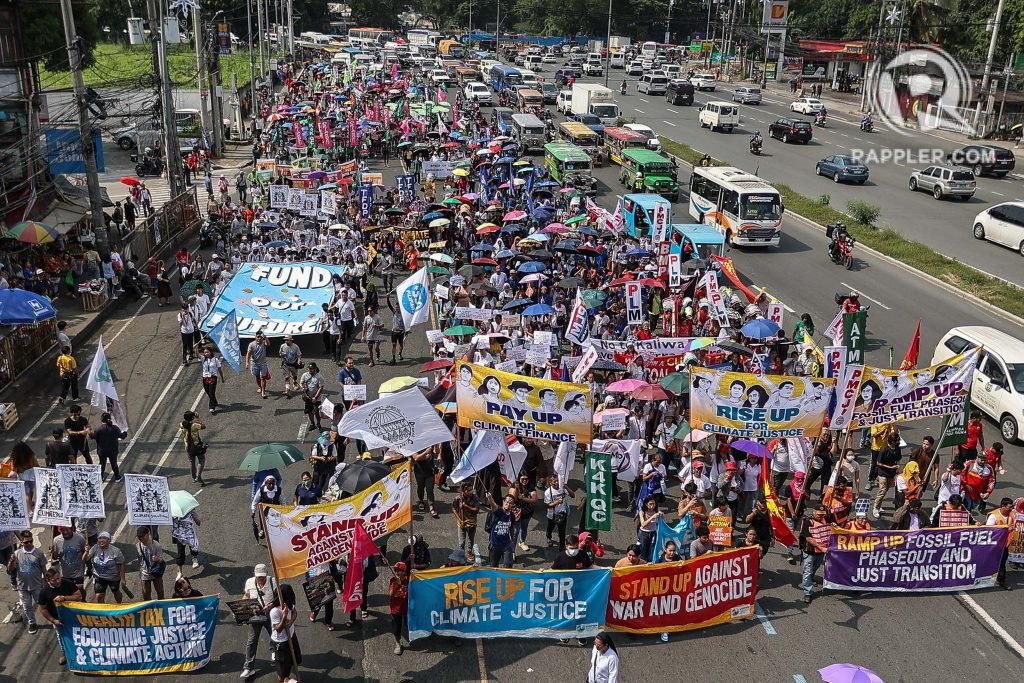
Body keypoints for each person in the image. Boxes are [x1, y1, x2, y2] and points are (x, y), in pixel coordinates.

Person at [36, 567, 83, 663]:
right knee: (62, 637)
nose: (58, 581)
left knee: (79, 636)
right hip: (58, 620)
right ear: (48, 581)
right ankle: (65, 653)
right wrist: (53, 620)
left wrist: (65, 598)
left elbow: (79, 596)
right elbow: (42, 609)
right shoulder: (44, 591)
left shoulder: (68, 583)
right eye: (54, 580)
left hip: (73, 616)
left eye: (59, 578)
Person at [240, 563, 276, 679]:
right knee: (251, 641)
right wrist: (240, 606)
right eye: (258, 577)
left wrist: (270, 606)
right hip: (256, 615)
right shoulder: (249, 582)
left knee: (275, 635)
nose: (260, 579)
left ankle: (274, 650)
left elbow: (279, 599)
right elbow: (246, 595)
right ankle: (248, 668)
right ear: (254, 575)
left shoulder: (273, 582)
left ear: (266, 574)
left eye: (262, 577)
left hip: (270, 614)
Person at [8, 531, 46, 635]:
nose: (29, 544)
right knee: (27, 606)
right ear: (21, 542)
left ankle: (52, 617)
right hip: (22, 586)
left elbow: (43, 568)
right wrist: (12, 562)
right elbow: (9, 571)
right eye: (26, 542)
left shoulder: (39, 553)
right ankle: (32, 622)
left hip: (37, 585)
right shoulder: (16, 554)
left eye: (31, 541)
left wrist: (47, 582)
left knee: (43, 604)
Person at [270, 583, 301, 683]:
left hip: (291, 637)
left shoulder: (290, 604)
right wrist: (284, 616)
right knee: (282, 674)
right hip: (281, 642)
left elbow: (295, 612)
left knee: (294, 660)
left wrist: (290, 622)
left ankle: (291, 674)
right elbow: (278, 629)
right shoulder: (274, 611)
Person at [799, 505, 829, 604]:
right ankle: (807, 593)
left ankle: (810, 579)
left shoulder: (826, 520)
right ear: (814, 512)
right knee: (808, 570)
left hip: (821, 552)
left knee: (814, 568)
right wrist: (820, 547)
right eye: (819, 515)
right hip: (810, 551)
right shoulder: (808, 522)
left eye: (822, 515)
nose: (821, 517)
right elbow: (808, 538)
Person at [87, 531, 126, 604]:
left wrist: (123, 579)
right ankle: (103, 611)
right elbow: (86, 559)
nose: (101, 540)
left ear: (109, 540)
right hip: (99, 577)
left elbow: (122, 564)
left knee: (116, 592)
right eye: (100, 538)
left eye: (104, 538)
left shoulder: (116, 551)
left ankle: (119, 604)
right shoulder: (95, 548)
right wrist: (86, 551)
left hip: (113, 577)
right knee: (99, 596)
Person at [484, 492, 519, 568]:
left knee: (508, 566)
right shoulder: (498, 512)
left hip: (506, 545)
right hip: (495, 544)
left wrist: (512, 541)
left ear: (513, 505)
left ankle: (506, 579)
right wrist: (490, 498)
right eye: (506, 502)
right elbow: (493, 504)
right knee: (493, 567)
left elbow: (511, 527)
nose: (508, 504)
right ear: (503, 502)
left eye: (510, 503)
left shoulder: (512, 515)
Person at [987, 497, 1014, 590]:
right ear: (1003, 506)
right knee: (990, 561)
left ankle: (1001, 580)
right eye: (1009, 507)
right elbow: (989, 530)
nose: (1011, 509)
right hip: (994, 544)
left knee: (1002, 562)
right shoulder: (994, 516)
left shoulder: (1011, 515)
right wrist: (1005, 530)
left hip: (1004, 544)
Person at [90, 412, 127, 481]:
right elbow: (122, 436)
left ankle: (100, 477)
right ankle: (117, 477)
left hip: (102, 450)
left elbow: (93, 436)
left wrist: (89, 432)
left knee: (102, 463)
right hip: (113, 450)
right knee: (113, 463)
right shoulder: (114, 428)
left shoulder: (98, 429)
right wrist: (125, 432)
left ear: (102, 420)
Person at [544, 473, 574, 549]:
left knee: (562, 532)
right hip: (552, 515)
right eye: (554, 481)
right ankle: (549, 536)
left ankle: (562, 548)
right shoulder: (548, 492)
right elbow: (547, 505)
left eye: (557, 481)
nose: (557, 483)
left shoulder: (562, 488)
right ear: (550, 483)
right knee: (550, 528)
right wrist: (556, 502)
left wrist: (567, 487)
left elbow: (573, 495)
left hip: (562, 514)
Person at [135, 526, 165, 600]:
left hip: (156, 572)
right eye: (139, 537)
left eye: (142, 536)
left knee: (160, 592)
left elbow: (161, 560)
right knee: (146, 594)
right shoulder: (138, 546)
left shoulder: (156, 545)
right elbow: (139, 559)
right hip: (144, 573)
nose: (141, 538)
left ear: (148, 534)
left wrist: (157, 559)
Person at [452, 482, 481, 559]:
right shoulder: (458, 499)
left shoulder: (475, 498)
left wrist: (466, 506)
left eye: (472, 489)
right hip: (461, 524)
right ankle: (461, 556)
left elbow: (476, 510)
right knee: (461, 543)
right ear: (464, 491)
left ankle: (469, 552)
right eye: (469, 490)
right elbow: (454, 509)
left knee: (470, 540)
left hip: (472, 523)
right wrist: (459, 520)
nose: (472, 491)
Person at [179, 411, 207, 485]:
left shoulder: (182, 424)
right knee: (201, 460)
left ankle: (194, 477)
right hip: (196, 446)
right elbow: (203, 426)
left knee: (192, 462)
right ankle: (198, 476)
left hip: (188, 446)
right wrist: (198, 418)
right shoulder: (194, 425)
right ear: (192, 418)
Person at [171, 508, 201, 576]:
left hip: (190, 534)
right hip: (180, 536)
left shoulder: (190, 511)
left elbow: (199, 523)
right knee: (180, 553)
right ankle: (179, 572)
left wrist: (194, 517)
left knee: (193, 547)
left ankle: (194, 558)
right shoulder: (173, 513)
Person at [389, 562, 410, 655]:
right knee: (397, 628)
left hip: (407, 608)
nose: (397, 572)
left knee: (408, 624)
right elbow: (391, 594)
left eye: (400, 571)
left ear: (405, 572)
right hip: (396, 610)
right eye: (396, 570)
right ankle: (398, 643)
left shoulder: (409, 580)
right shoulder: (393, 581)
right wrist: (397, 585)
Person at [298, 363, 325, 431]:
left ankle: (318, 424)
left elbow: (320, 388)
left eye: (312, 369)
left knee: (317, 412)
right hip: (308, 397)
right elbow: (301, 382)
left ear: (315, 369)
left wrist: (315, 397)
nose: (310, 370)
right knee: (309, 411)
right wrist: (302, 387)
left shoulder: (319, 377)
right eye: (309, 369)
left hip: (316, 398)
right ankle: (312, 424)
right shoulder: (305, 375)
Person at [245, 331, 271, 399]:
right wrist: (247, 363)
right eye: (258, 337)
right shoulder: (251, 344)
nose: (259, 338)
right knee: (257, 377)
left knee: (263, 377)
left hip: (263, 363)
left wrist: (265, 337)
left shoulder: (263, 343)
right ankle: (260, 387)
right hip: (254, 363)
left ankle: (263, 392)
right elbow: (248, 354)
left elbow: (268, 344)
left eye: (261, 337)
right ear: (255, 337)